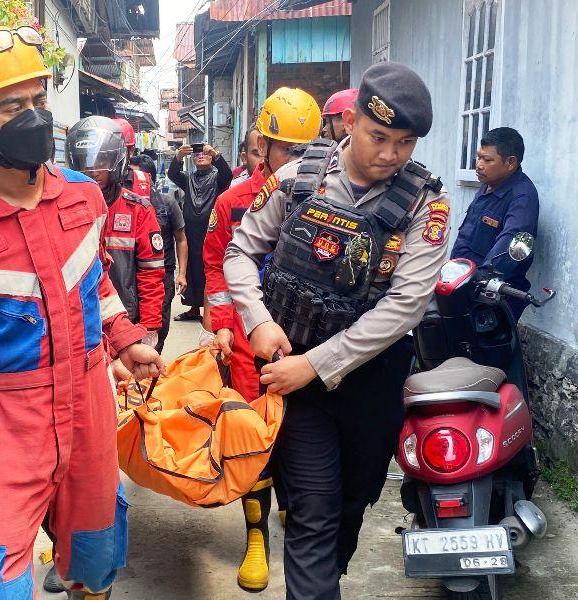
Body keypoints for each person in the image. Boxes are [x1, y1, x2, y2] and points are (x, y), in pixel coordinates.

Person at [0, 24, 164, 600]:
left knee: (94, 558)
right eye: (12, 105)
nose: (35, 117)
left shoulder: (83, 197)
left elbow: (94, 288)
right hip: (6, 420)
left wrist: (124, 338)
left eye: (39, 100)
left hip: (91, 399)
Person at [224, 61, 450, 599]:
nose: (390, 155)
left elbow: (405, 307)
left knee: (350, 511)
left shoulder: (425, 204)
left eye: (405, 143)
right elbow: (240, 251)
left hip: (370, 387)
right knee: (312, 516)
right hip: (296, 384)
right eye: (378, 137)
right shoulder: (298, 177)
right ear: (351, 121)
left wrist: (317, 365)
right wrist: (256, 319)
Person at [205, 87, 321, 592]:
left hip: (313, 343)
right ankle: (257, 537)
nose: (294, 161)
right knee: (255, 439)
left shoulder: (327, 196)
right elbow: (216, 264)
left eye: (303, 151)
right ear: (262, 146)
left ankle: (298, 516)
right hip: (254, 342)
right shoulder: (234, 201)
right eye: (284, 150)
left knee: (304, 437)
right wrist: (226, 322)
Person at [66, 116, 165, 350]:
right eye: (84, 162)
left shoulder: (138, 209)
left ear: (118, 160)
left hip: (125, 321)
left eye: (102, 159)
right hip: (79, 324)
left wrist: (150, 326)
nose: (93, 169)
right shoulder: (63, 210)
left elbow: (151, 273)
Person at [451, 127, 539, 320]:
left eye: (487, 160)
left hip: (491, 295)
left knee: (482, 349)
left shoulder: (522, 198)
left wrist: (479, 280)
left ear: (510, 163)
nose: (479, 165)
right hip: (461, 282)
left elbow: (510, 243)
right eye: (479, 157)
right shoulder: (488, 185)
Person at [131, 153, 189, 352]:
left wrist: (181, 274)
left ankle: (153, 366)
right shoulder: (124, 205)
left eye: (137, 176)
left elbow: (181, 239)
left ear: (150, 178)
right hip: (132, 275)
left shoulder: (167, 203)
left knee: (158, 324)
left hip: (163, 275)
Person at [168, 142, 232, 321]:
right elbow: (172, 174)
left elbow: (227, 175)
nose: (200, 156)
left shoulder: (218, 176)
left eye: (204, 153)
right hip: (191, 230)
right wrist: (179, 157)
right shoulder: (189, 178)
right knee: (191, 268)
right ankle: (194, 308)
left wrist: (216, 154)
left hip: (211, 229)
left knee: (209, 267)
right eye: (196, 155)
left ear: (211, 156)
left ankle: (211, 310)